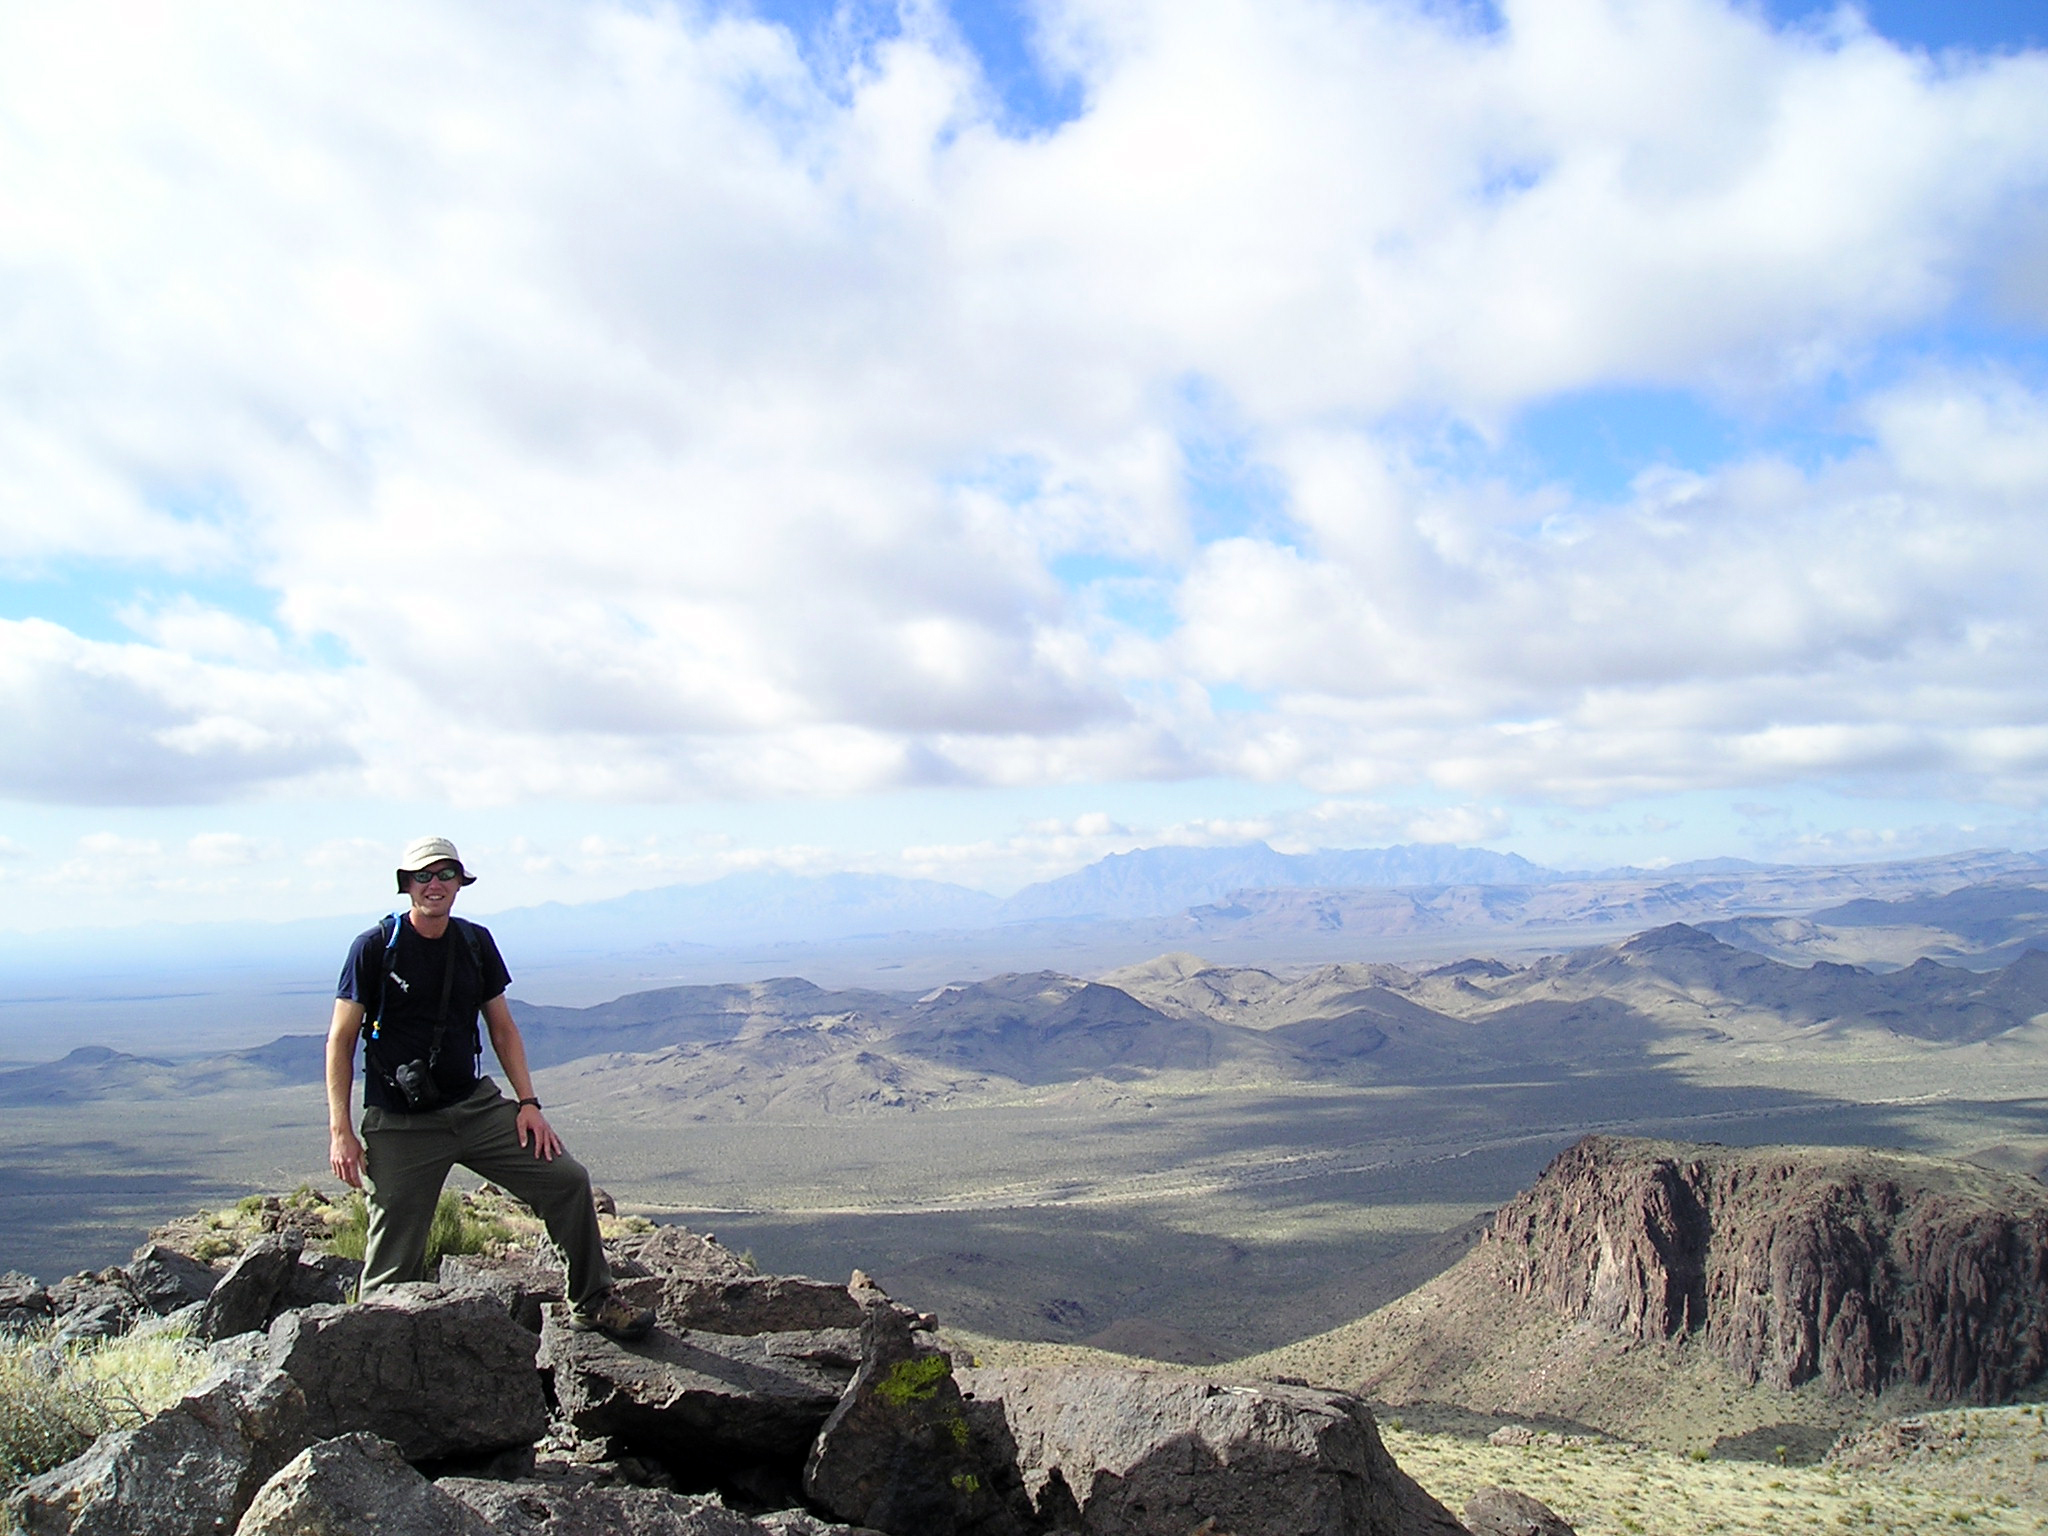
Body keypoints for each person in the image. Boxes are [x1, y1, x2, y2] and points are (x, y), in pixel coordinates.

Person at [326, 835, 653, 1340]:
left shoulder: (474, 943)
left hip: (474, 1108)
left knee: (567, 1180)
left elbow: (502, 1027)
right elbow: (341, 1039)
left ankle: (593, 1301)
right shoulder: (374, 948)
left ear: (461, 882)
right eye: (423, 876)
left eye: (445, 874)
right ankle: (377, 1361)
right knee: (392, 1266)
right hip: (401, 1123)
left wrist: (528, 1103)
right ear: (406, 885)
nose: (434, 885)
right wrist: (341, 1131)